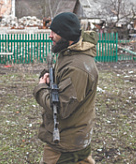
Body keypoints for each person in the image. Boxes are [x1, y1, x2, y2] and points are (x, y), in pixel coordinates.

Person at [34, 12, 99, 164]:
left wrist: (41, 88)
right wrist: (53, 80)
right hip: (72, 137)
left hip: (65, 144)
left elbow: (61, 108)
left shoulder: (77, 68)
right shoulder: (69, 54)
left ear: (67, 35)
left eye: (54, 32)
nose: (50, 36)